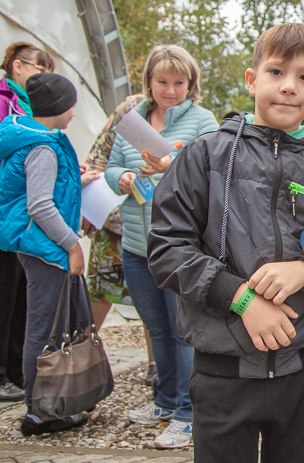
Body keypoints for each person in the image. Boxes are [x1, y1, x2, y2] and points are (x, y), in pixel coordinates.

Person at [147, 23, 304, 462]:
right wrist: (242, 299)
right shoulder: (204, 155)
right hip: (222, 369)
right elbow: (167, 250)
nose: (289, 87)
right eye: (276, 71)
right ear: (252, 79)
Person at [105, 44, 218, 449]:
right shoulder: (132, 120)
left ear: (191, 85)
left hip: (180, 247)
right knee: (155, 327)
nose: (170, 90)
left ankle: (190, 414)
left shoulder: (203, 121)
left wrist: (169, 166)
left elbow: (210, 172)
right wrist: (118, 177)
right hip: (136, 244)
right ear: (149, 83)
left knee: (182, 331)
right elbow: (112, 165)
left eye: (179, 82)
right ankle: (165, 400)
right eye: (162, 81)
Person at [0, 72, 98, 436]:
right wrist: (71, 244)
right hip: (46, 249)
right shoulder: (43, 148)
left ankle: (49, 403)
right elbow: (40, 205)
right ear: (58, 108)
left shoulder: (29, 137)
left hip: (37, 246)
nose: (73, 113)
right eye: (71, 106)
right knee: (43, 329)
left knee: (46, 325)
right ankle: (39, 412)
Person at [0, 41, 55, 403]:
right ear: (16, 67)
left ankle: (16, 372)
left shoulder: (24, 107)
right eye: (39, 69)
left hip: (16, 219)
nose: (44, 78)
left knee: (19, 295)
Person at [80, 95, 157, 389]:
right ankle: (80, 359)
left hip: (153, 226)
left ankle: (156, 365)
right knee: (100, 292)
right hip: (113, 220)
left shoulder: (189, 118)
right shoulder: (130, 110)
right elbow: (96, 160)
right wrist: (89, 206)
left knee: (155, 298)